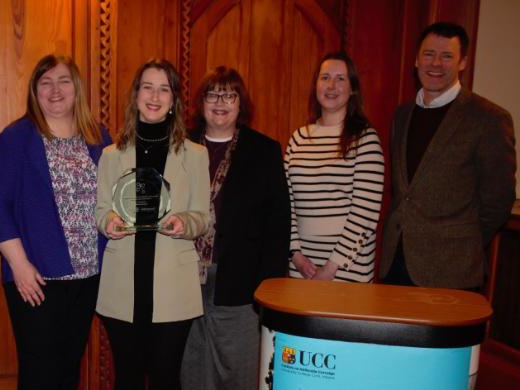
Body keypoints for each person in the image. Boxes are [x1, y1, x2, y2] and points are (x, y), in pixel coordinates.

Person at [0, 54, 111, 390]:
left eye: (64, 80)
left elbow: (114, 195)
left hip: (88, 275)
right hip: (35, 277)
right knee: (40, 373)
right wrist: (19, 265)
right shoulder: (17, 137)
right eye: (45, 82)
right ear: (34, 91)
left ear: (76, 88)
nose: (55, 90)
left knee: (69, 369)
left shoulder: (97, 136)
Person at [95, 59, 210, 390]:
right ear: (136, 95)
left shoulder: (195, 155)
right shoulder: (111, 155)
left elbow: (202, 217)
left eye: (164, 89)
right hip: (123, 286)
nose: (155, 96)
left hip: (174, 286)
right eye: (148, 87)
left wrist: (182, 222)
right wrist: (110, 222)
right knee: (127, 380)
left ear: (174, 99)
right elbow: (101, 209)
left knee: (165, 380)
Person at [380, 22, 516, 289]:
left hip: (452, 271)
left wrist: (462, 242)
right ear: (416, 60)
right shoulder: (402, 115)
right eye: (429, 54)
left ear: (463, 62)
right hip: (396, 265)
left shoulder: (489, 119)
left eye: (447, 56)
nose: (436, 64)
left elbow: (499, 200)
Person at [180, 66, 290, 390]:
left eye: (230, 94)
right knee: (190, 367)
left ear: (241, 104)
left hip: (241, 283)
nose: (220, 102)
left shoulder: (264, 150)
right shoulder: (180, 146)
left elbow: (278, 223)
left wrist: (268, 288)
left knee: (237, 371)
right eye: (212, 93)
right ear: (201, 103)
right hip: (183, 280)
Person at [285, 52, 384, 283]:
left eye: (341, 78)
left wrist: (331, 268)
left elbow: (365, 213)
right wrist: (296, 256)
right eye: (325, 77)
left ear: (353, 89)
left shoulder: (365, 139)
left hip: (347, 269)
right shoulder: (298, 138)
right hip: (302, 267)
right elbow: (285, 204)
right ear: (315, 85)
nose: (331, 85)